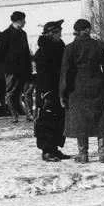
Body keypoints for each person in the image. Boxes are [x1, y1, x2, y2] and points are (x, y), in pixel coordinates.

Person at [59, 19, 104, 163]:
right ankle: (103, 153)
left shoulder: (70, 48)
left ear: (76, 31)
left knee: (81, 121)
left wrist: (62, 93)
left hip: (77, 89)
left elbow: (65, 72)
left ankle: (83, 154)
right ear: (88, 30)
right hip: (98, 87)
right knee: (101, 119)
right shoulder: (99, 46)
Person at [33, 20, 69, 162]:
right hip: (47, 90)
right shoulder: (44, 50)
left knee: (59, 118)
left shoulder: (59, 46)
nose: (60, 33)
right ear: (51, 33)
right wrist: (46, 92)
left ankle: (54, 148)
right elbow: (43, 74)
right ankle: (46, 150)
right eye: (58, 31)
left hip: (59, 88)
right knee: (47, 119)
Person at [0, 11, 32, 123]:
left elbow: (26, 53)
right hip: (12, 70)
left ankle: (29, 114)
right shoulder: (6, 34)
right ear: (18, 21)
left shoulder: (23, 34)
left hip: (24, 69)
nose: (25, 22)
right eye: (23, 20)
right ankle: (14, 115)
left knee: (27, 91)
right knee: (10, 93)